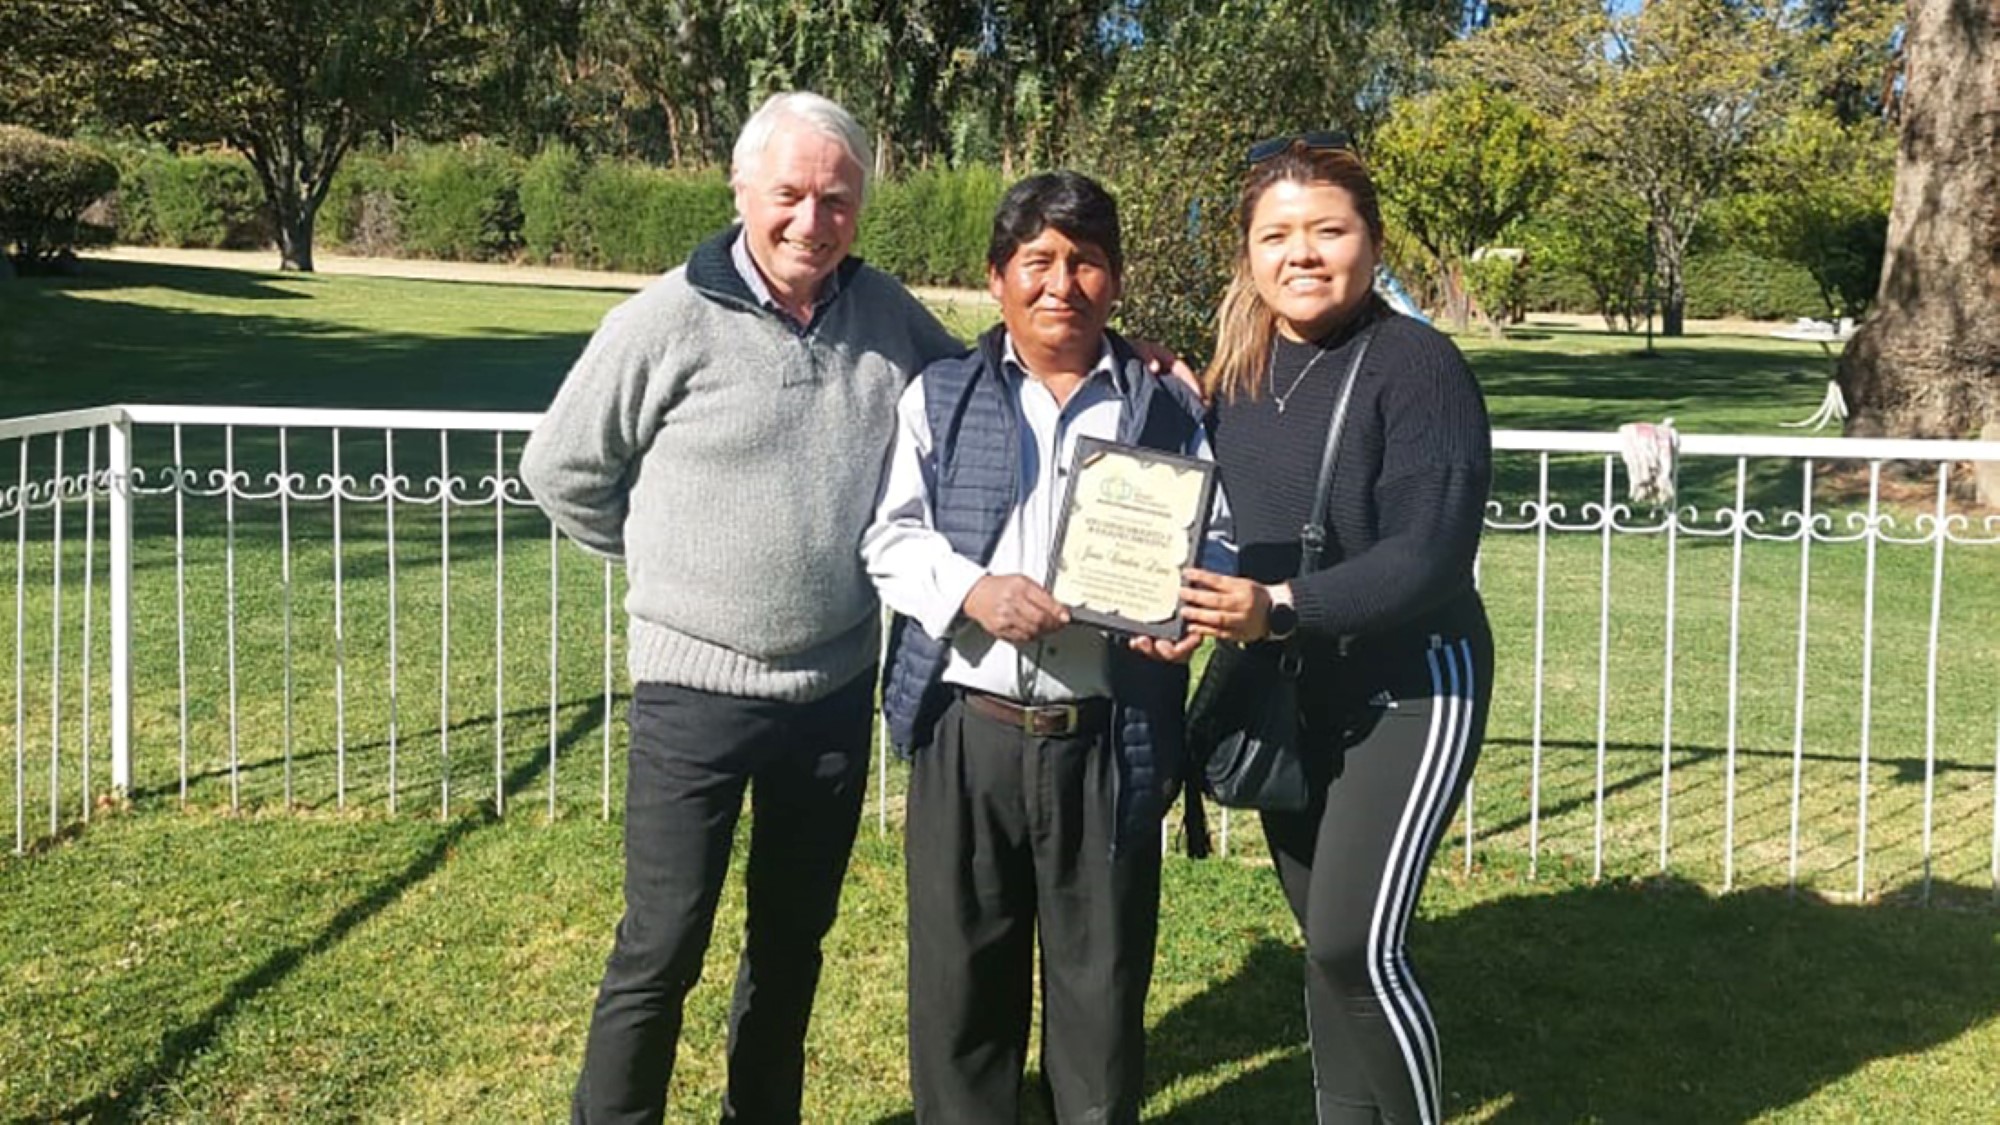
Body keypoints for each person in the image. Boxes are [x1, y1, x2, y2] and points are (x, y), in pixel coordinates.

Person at [519, 92, 966, 1125]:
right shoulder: (664, 319)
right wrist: (659, 569)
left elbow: (983, 388)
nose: (812, 221)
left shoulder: (885, 312)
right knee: (661, 943)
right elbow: (560, 467)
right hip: (693, 697)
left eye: (837, 200)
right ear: (740, 193)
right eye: (790, 196)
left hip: (830, 692)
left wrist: (1129, 363)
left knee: (790, 941)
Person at [863, 170, 1231, 1124]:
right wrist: (974, 591)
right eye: (1038, 261)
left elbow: (1216, 534)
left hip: (1109, 736)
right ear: (997, 278)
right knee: (959, 991)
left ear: (1115, 279)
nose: (1061, 283)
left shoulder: (1168, 406)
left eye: (1087, 262)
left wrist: (1189, 611)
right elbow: (891, 541)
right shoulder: (941, 394)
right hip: (967, 732)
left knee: (1100, 997)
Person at [1177, 135, 1494, 1125]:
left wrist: (1278, 609)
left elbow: (1428, 554)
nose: (1301, 254)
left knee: (1357, 948)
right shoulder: (1237, 368)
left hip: (1410, 688)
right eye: (1276, 235)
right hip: (1291, 690)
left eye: (1327, 231)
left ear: (1370, 241)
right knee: (1322, 944)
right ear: (1247, 253)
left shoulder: (1416, 366)